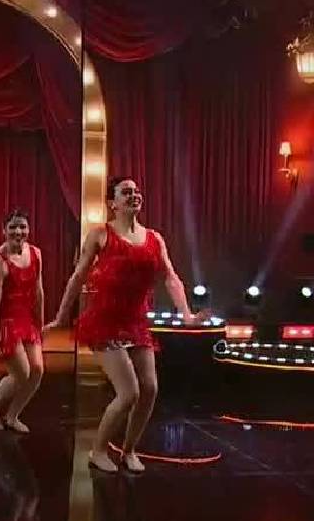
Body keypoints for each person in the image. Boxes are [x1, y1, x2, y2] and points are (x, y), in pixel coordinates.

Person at [45, 179, 204, 473]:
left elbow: (171, 277)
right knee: (129, 393)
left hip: (136, 322)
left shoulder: (154, 238)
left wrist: (187, 315)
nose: (134, 195)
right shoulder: (100, 234)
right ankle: (97, 451)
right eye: (126, 192)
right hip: (105, 321)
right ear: (112, 203)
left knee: (150, 389)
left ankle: (129, 450)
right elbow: (78, 277)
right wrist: (61, 316)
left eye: (137, 191)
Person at [0, 209, 45, 433]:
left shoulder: (36, 253)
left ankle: (12, 415)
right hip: (6, 322)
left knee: (37, 370)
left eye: (23, 227)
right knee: (21, 373)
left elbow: (39, 291)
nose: (18, 232)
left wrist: (41, 323)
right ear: (4, 231)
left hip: (27, 319)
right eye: (13, 227)